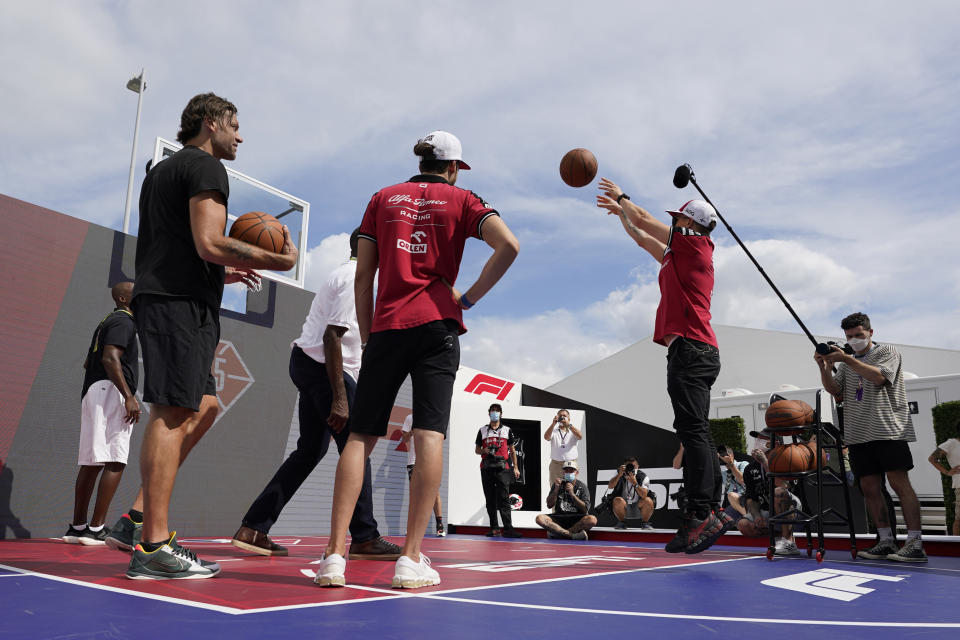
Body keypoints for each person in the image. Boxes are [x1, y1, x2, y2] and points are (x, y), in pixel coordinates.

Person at [316, 131, 518, 589]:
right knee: (429, 436)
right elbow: (509, 245)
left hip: (388, 326)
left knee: (359, 438)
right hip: (438, 326)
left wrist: (369, 335)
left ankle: (332, 556)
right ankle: (409, 559)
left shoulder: (382, 198)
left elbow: (364, 274)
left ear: (421, 161)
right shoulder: (463, 199)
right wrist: (467, 298)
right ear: (452, 167)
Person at [126, 92, 297, 580]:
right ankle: (152, 542)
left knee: (202, 406)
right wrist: (278, 260)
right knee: (173, 411)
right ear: (210, 123)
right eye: (234, 125)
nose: (240, 136)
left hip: (175, 294)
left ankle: (143, 522)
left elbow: (180, 249)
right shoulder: (206, 167)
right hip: (178, 303)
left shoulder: (161, 172)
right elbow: (209, 242)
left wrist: (219, 276)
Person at [231, 229, 400, 560]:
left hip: (310, 364)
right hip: (323, 367)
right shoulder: (356, 278)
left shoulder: (349, 274)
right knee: (356, 446)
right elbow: (332, 338)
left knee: (310, 450)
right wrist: (339, 397)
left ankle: (253, 528)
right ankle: (365, 536)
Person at [597, 180, 726, 554]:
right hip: (691, 349)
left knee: (695, 433)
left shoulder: (696, 245)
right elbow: (640, 235)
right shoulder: (677, 254)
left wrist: (624, 199)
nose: (677, 224)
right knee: (693, 432)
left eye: (682, 219)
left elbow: (645, 218)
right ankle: (703, 514)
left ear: (694, 224)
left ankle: (703, 512)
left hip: (692, 348)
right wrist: (623, 214)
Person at [815, 312, 926, 562]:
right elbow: (836, 391)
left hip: (888, 429)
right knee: (868, 487)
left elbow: (878, 377)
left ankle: (915, 542)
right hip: (857, 433)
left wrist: (846, 358)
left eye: (859, 335)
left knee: (899, 482)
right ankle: (885, 540)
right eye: (849, 336)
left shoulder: (887, 351)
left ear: (870, 332)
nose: (854, 340)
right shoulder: (846, 362)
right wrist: (824, 366)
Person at [63, 282, 140, 546]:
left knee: (91, 462)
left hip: (95, 390)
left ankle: (77, 527)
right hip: (111, 391)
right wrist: (128, 396)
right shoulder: (124, 321)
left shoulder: (107, 321)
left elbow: (89, 362)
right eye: (136, 293)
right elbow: (109, 359)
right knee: (116, 460)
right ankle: (96, 528)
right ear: (123, 298)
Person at [736, 429, 804, 556]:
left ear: (775, 444)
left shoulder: (786, 460)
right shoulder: (750, 468)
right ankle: (780, 538)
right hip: (768, 510)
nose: (757, 442)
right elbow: (751, 497)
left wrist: (766, 463)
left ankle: (789, 542)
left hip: (792, 508)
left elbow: (784, 486)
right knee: (743, 524)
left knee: (779, 492)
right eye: (757, 439)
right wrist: (756, 516)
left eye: (763, 439)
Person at [475, 403, 522, 538]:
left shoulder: (507, 430)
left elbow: (513, 451)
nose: (494, 413)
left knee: (504, 499)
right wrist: (484, 450)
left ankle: (508, 528)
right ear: (489, 413)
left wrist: (516, 467)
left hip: (503, 468)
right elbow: (476, 450)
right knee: (490, 499)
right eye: (492, 411)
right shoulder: (482, 430)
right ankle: (494, 529)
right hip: (486, 467)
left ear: (501, 414)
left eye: (497, 411)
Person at [401, 413, 445, 537]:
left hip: (430, 461)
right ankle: (411, 527)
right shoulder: (410, 417)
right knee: (415, 493)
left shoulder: (432, 416)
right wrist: (411, 432)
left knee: (434, 492)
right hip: (413, 462)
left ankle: (440, 525)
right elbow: (404, 439)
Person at [535, 461, 596, 540]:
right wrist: (556, 490)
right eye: (566, 470)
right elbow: (549, 505)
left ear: (577, 473)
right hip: (560, 517)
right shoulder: (557, 484)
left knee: (592, 519)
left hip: (576, 519)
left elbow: (585, 509)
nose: (568, 472)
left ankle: (559, 533)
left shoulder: (582, 487)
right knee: (540, 518)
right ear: (563, 472)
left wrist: (572, 494)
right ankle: (571, 535)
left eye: (571, 470)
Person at [928, 420, 960, 536]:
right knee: (959, 520)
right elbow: (932, 458)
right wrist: (947, 472)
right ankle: (957, 547)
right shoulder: (951, 443)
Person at [607, 456, 655, 529]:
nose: (630, 468)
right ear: (623, 466)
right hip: (624, 506)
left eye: (633, 466)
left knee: (648, 500)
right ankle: (621, 523)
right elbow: (610, 486)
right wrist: (619, 475)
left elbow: (644, 495)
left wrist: (634, 483)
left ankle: (645, 523)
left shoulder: (643, 476)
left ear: (638, 467)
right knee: (617, 500)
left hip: (639, 507)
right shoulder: (619, 473)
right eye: (628, 466)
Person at [543, 409, 582, 487]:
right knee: (555, 487)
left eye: (565, 416)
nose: (562, 417)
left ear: (569, 418)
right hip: (556, 464)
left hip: (571, 463)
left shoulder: (572, 430)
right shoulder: (554, 430)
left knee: (571, 487)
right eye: (560, 416)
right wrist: (553, 423)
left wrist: (569, 425)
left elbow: (580, 436)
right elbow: (546, 437)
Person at [718, 445, 749, 516]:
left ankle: (748, 517)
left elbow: (742, 480)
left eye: (724, 454)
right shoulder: (723, 473)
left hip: (746, 499)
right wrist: (713, 459)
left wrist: (731, 464)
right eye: (721, 455)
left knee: (731, 495)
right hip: (733, 504)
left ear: (731, 455)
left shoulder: (743, 464)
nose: (723, 457)